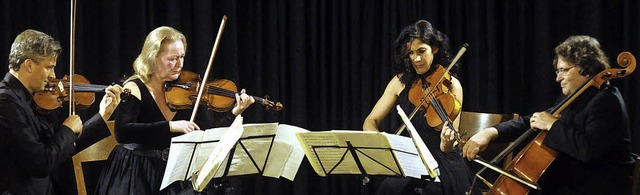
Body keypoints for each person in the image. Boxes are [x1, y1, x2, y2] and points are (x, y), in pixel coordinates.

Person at [462, 35, 633, 194]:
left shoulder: (607, 101)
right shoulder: (573, 96)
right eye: (558, 71)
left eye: (564, 70)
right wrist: (491, 132)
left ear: (586, 69)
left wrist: (552, 125)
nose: (558, 78)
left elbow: (589, 150)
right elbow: (534, 120)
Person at [95, 26, 255, 194]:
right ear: (153, 58)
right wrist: (171, 126)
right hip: (133, 174)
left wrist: (234, 112)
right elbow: (123, 132)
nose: (179, 64)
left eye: (182, 57)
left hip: (170, 175)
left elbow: (206, 134)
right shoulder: (134, 88)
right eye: (172, 59)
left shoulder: (187, 91)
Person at [0, 29, 123, 194]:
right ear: (29, 65)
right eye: (49, 67)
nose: (53, 76)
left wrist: (103, 115)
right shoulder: (6, 103)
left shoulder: (28, 99)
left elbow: (61, 148)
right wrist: (67, 129)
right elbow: (41, 162)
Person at [363, 20, 479, 195]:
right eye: (410, 53)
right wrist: (381, 143)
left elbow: (450, 145)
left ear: (434, 48)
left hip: (442, 162)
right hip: (411, 160)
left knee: (431, 191)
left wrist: (447, 142)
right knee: (389, 187)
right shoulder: (400, 82)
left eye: (421, 51)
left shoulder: (452, 85)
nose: (416, 59)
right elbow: (371, 121)